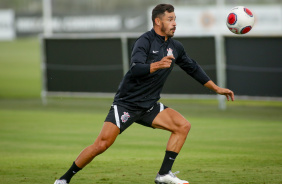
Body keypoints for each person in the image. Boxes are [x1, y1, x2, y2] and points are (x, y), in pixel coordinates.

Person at [54, 3, 234, 184]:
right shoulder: (144, 41)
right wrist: (157, 64)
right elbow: (135, 69)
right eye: (170, 19)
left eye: (175, 19)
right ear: (158, 21)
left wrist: (216, 88)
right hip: (127, 103)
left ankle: (164, 175)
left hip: (150, 106)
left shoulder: (175, 47)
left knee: (182, 126)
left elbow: (193, 68)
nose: (174, 23)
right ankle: (64, 179)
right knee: (102, 144)